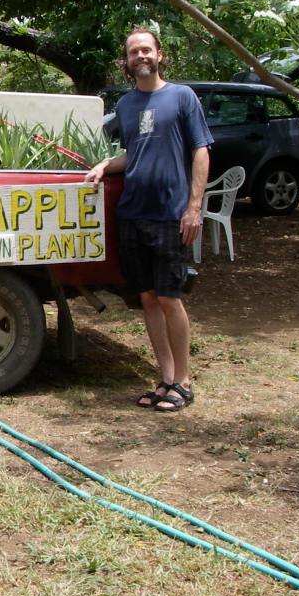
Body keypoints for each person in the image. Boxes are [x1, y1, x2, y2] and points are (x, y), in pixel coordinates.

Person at [86, 28, 213, 412]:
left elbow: (201, 152)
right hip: (133, 213)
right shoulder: (126, 105)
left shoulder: (182, 97)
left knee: (170, 297)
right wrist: (107, 164)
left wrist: (193, 207)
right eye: (132, 52)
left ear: (159, 54)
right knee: (147, 298)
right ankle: (166, 378)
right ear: (125, 62)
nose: (140, 56)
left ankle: (184, 382)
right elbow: (133, 154)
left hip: (169, 213)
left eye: (146, 49)